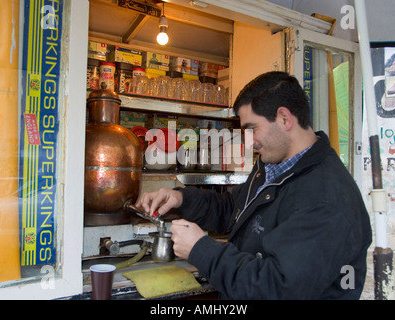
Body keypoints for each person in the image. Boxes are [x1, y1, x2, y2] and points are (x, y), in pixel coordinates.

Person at [136, 71, 372, 299]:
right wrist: (181, 199)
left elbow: (276, 288)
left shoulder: (325, 199)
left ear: (284, 118)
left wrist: (201, 249)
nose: (249, 143)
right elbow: (233, 209)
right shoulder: (272, 166)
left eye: (252, 130)